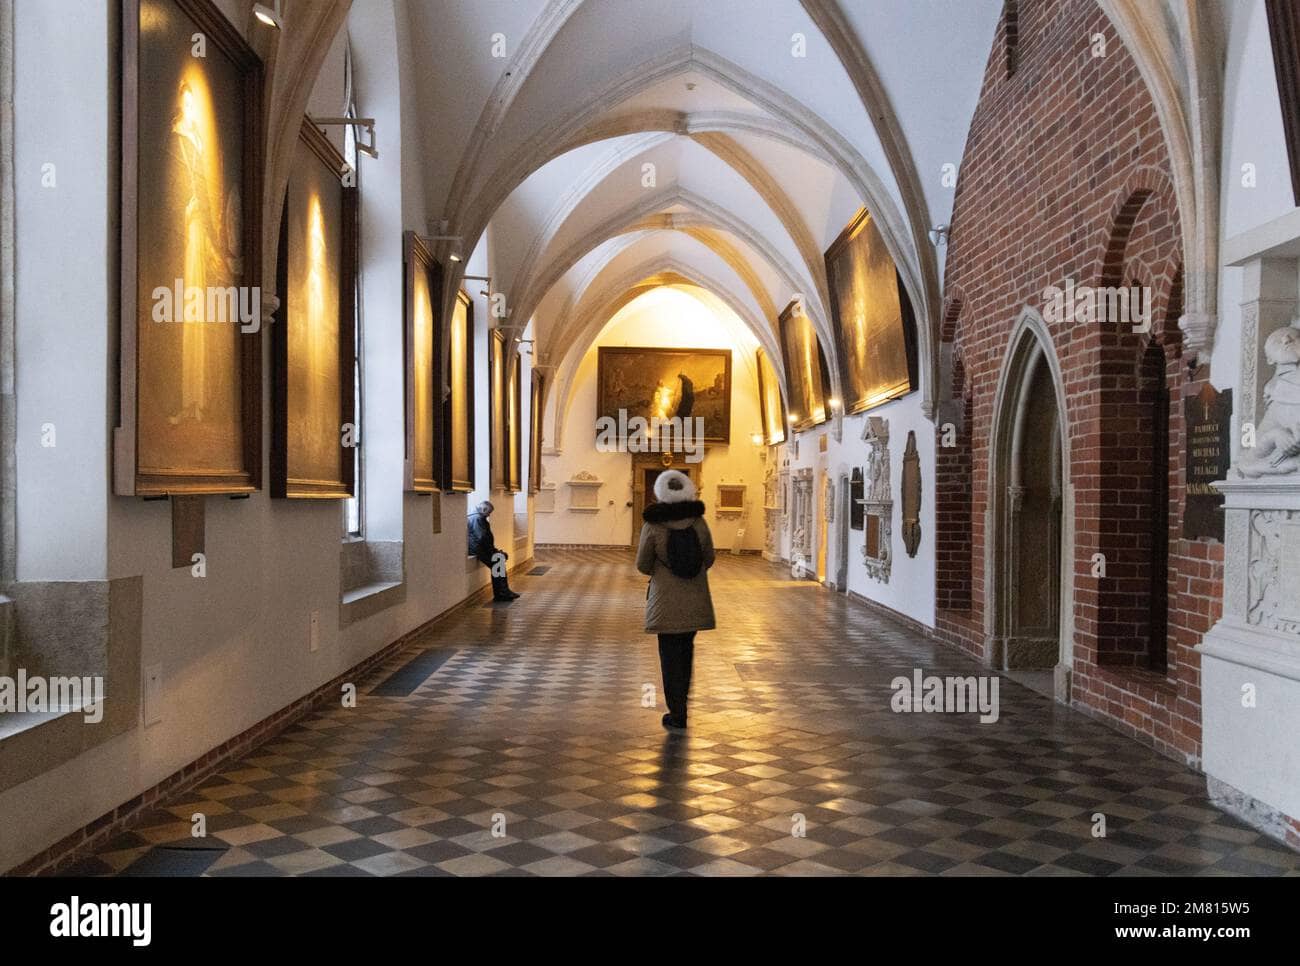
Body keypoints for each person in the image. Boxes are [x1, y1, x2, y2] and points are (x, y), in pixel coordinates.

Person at [635, 470, 715, 730]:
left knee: (669, 658)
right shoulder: (698, 522)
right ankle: (683, 704)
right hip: (695, 600)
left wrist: (661, 571)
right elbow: (709, 558)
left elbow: (643, 565)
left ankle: (677, 712)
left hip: (665, 602)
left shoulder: (653, 524)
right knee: (686, 653)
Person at [468, 501, 519, 601]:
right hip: (478, 549)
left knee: (498, 561)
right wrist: (493, 552)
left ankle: (503, 591)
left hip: (481, 548)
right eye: (489, 513)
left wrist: (494, 550)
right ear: (483, 510)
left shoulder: (477, 517)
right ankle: (502, 593)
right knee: (498, 561)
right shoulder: (477, 518)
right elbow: (482, 537)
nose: (489, 515)